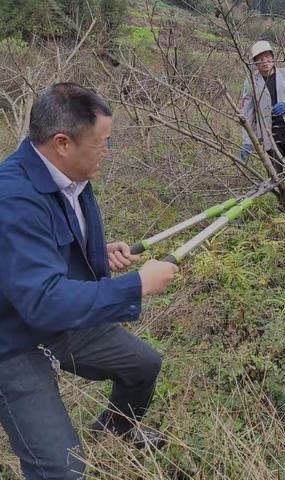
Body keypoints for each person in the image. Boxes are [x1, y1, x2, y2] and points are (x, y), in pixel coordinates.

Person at [0, 83, 179, 480]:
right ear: (62, 142)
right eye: (102, 143)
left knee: (143, 365)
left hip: (59, 320)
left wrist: (100, 255)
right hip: (12, 340)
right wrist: (137, 285)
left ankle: (113, 432)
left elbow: (49, 247)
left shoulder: (71, 175)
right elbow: (42, 299)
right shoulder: (11, 197)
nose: (107, 152)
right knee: (62, 467)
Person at [239, 40, 285, 203]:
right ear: (254, 62)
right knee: (276, 176)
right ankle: (283, 206)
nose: (264, 62)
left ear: (273, 57)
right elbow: (247, 116)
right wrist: (247, 141)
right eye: (259, 59)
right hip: (270, 136)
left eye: (267, 57)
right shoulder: (251, 83)